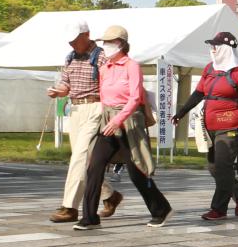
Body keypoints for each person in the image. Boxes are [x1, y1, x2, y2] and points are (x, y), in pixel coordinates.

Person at [72, 26, 171, 230]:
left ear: (121, 44)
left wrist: (119, 120)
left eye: (110, 42)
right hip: (107, 119)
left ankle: (160, 208)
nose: (106, 46)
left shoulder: (132, 66)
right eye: (104, 42)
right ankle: (89, 217)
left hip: (128, 122)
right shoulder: (104, 68)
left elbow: (135, 98)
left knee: (136, 171)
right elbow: (103, 96)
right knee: (94, 165)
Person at [173, 31, 238, 221]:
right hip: (210, 127)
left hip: (232, 126)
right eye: (211, 45)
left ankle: (218, 209)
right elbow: (198, 93)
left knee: (223, 166)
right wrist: (181, 113)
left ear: (226, 49)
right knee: (213, 167)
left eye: (215, 45)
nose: (212, 49)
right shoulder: (210, 68)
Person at [46, 21, 119, 225]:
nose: (72, 44)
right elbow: (65, 85)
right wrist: (57, 91)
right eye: (70, 41)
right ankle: (109, 195)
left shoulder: (102, 56)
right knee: (85, 161)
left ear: (87, 34)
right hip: (75, 109)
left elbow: (111, 84)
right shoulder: (70, 58)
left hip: (96, 108)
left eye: (76, 40)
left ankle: (69, 207)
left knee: (78, 157)